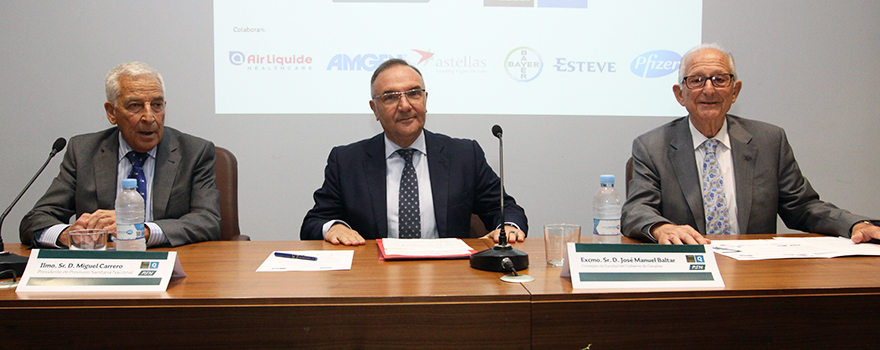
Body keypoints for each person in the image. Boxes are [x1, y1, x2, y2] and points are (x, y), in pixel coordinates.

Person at [621, 43, 880, 245]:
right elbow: (636, 210)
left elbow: (803, 207)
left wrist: (854, 225)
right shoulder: (652, 146)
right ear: (680, 94)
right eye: (697, 80)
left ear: (735, 91)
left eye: (719, 79)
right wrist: (662, 228)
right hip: (689, 268)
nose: (709, 90)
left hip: (754, 273)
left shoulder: (769, 140)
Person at [301, 59, 527, 245]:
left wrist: (507, 226)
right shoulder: (347, 161)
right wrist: (334, 227)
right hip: (374, 278)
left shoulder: (464, 155)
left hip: (448, 277)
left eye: (414, 93)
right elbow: (314, 221)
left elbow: (506, 209)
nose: (405, 106)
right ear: (375, 109)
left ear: (425, 100)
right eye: (390, 97)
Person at [20, 62, 221, 248]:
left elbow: (208, 220)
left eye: (157, 105)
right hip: (102, 265)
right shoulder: (83, 152)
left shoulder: (194, 152)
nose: (149, 117)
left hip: (169, 262)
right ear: (111, 112)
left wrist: (143, 230)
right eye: (135, 106)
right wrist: (68, 234)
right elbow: (36, 219)